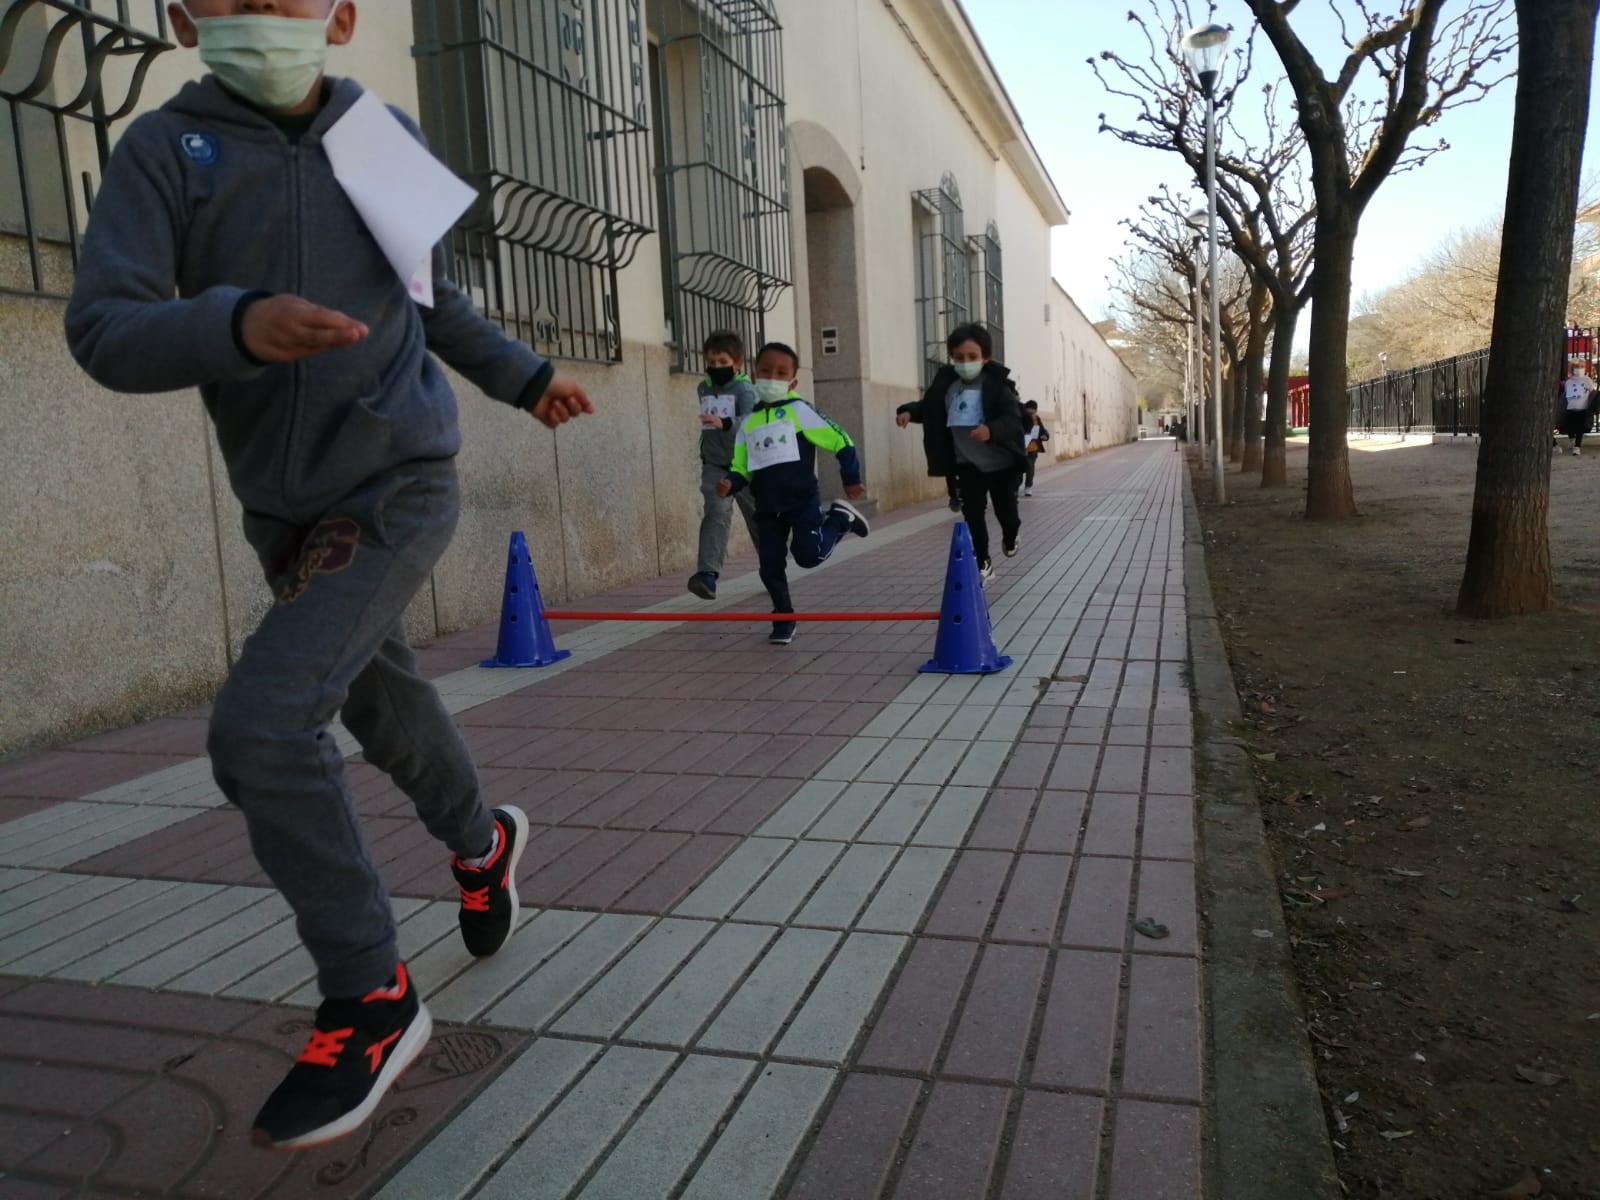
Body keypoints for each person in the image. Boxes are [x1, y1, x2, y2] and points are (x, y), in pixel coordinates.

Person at [63, 0, 594, 1150]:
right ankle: (481, 844)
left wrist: (523, 373)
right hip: (284, 512)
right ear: (180, 15)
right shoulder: (165, 151)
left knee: (261, 729)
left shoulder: (379, 135)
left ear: (342, 18)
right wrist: (238, 325)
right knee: (385, 699)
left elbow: (430, 297)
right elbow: (103, 327)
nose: (261, 13)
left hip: (399, 480)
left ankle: (370, 992)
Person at [717, 342, 869, 644]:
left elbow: (842, 440)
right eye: (765, 371)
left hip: (801, 502)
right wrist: (731, 483)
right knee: (769, 565)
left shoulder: (799, 412)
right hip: (767, 507)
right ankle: (783, 618)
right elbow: (742, 466)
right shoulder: (749, 422)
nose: (772, 378)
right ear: (753, 373)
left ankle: (840, 519)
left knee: (808, 556)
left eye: (781, 373)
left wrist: (850, 476)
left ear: (793, 381)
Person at [895, 323, 1026, 583]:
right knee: (973, 515)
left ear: (985, 357)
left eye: (972, 357)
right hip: (967, 465)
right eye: (959, 358)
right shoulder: (947, 386)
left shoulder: (997, 386)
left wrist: (991, 430)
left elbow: (1013, 420)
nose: (965, 363)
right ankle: (983, 562)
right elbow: (930, 408)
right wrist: (909, 411)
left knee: (1006, 513)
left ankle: (1011, 535)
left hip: (1000, 465)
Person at [688, 330, 759, 598]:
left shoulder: (745, 389)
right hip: (715, 464)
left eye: (722, 362)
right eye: (711, 362)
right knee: (716, 512)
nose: (716, 367)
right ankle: (707, 575)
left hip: (746, 465)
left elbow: (752, 421)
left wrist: (726, 423)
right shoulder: (703, 388)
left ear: (737, 363)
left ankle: (773, 566)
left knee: (759, 519)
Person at [1559, 367, 1595, 456]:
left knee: (1580, 428)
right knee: (1570, 426)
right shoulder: (1569, 381)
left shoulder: (1587, 380)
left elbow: (1592, 392)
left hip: (1582, 407)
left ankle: (1577, 446)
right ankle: (1572, 441)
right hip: (1571, 406)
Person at [1021, 399, 1050, 497]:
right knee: (1018, 469)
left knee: (1030, 468)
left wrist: (1045, 436)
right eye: (1030, 410)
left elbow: (1042, 430)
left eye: (1034, 410)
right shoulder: (1021, 417)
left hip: (1033, 447)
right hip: (1021, 447)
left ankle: (1028, 487)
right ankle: (1015, 488)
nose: (1032, 413)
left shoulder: (1037, 418)